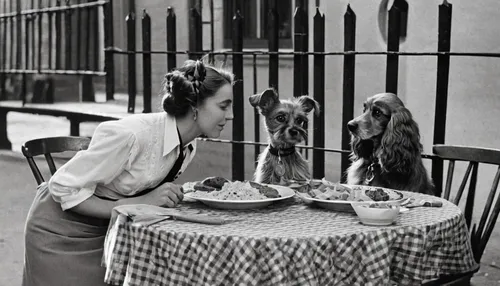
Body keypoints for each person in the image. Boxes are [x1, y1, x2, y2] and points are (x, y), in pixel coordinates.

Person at [22, 59, 235, 286]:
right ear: (195, 106)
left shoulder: (188, 145)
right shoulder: (132, 136)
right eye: (223, 106)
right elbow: (61, 186)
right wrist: (139, 203)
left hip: (109, 228)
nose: (230, 115)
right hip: (59, 231)